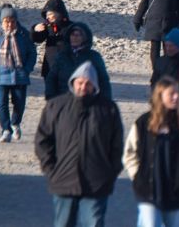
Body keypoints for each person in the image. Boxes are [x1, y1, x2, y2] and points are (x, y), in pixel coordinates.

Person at [35, 61, 124, 227]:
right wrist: (50, 168)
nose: (83, 87)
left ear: (94, 86)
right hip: (63, 179)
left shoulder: (108, 109)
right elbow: (43, 140)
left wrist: (110, 173)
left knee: (93, 223)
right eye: (80, 82)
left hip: (97, 182)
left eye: (88, 83)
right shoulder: (56, 106)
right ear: (73, 82)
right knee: (63, 224)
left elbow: (117, 145)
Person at [124, 77, 179, 227]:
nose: (176, 97)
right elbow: (130, 152)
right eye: (171, 94)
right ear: (160, 96)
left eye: (177, 93)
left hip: (177, 190)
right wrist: (137, 174)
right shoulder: (143, 122)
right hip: (148, 189)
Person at [0, 4, 36, 143]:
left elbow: (32, 53)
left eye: (12, 21)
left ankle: (15, 123)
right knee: (1, 103)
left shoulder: (24, 34)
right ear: (2, 21)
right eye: (6, 21)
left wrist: (26, 69)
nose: (9, 24)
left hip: (19, 76)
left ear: (16, 21)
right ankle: (6, 130)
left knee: (19, 103)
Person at [45, 22, 113, 101]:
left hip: (88, 100)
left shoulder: (94, 56)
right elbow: (52, 78)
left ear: (85, 37)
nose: (75, 37)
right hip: (63, 100)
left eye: (79, 35)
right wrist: (50, 96)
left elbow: (103, 80)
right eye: (73, 34)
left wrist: (106, 101)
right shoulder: (62, 56)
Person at [31, 0, 72, 79]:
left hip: (67, 67)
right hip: (50, 67)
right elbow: (37, 39)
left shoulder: (71, 26)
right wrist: (35, 30)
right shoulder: (47, 26)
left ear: (58, 13)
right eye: (46, 15)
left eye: (50, 14)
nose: (47, 17)